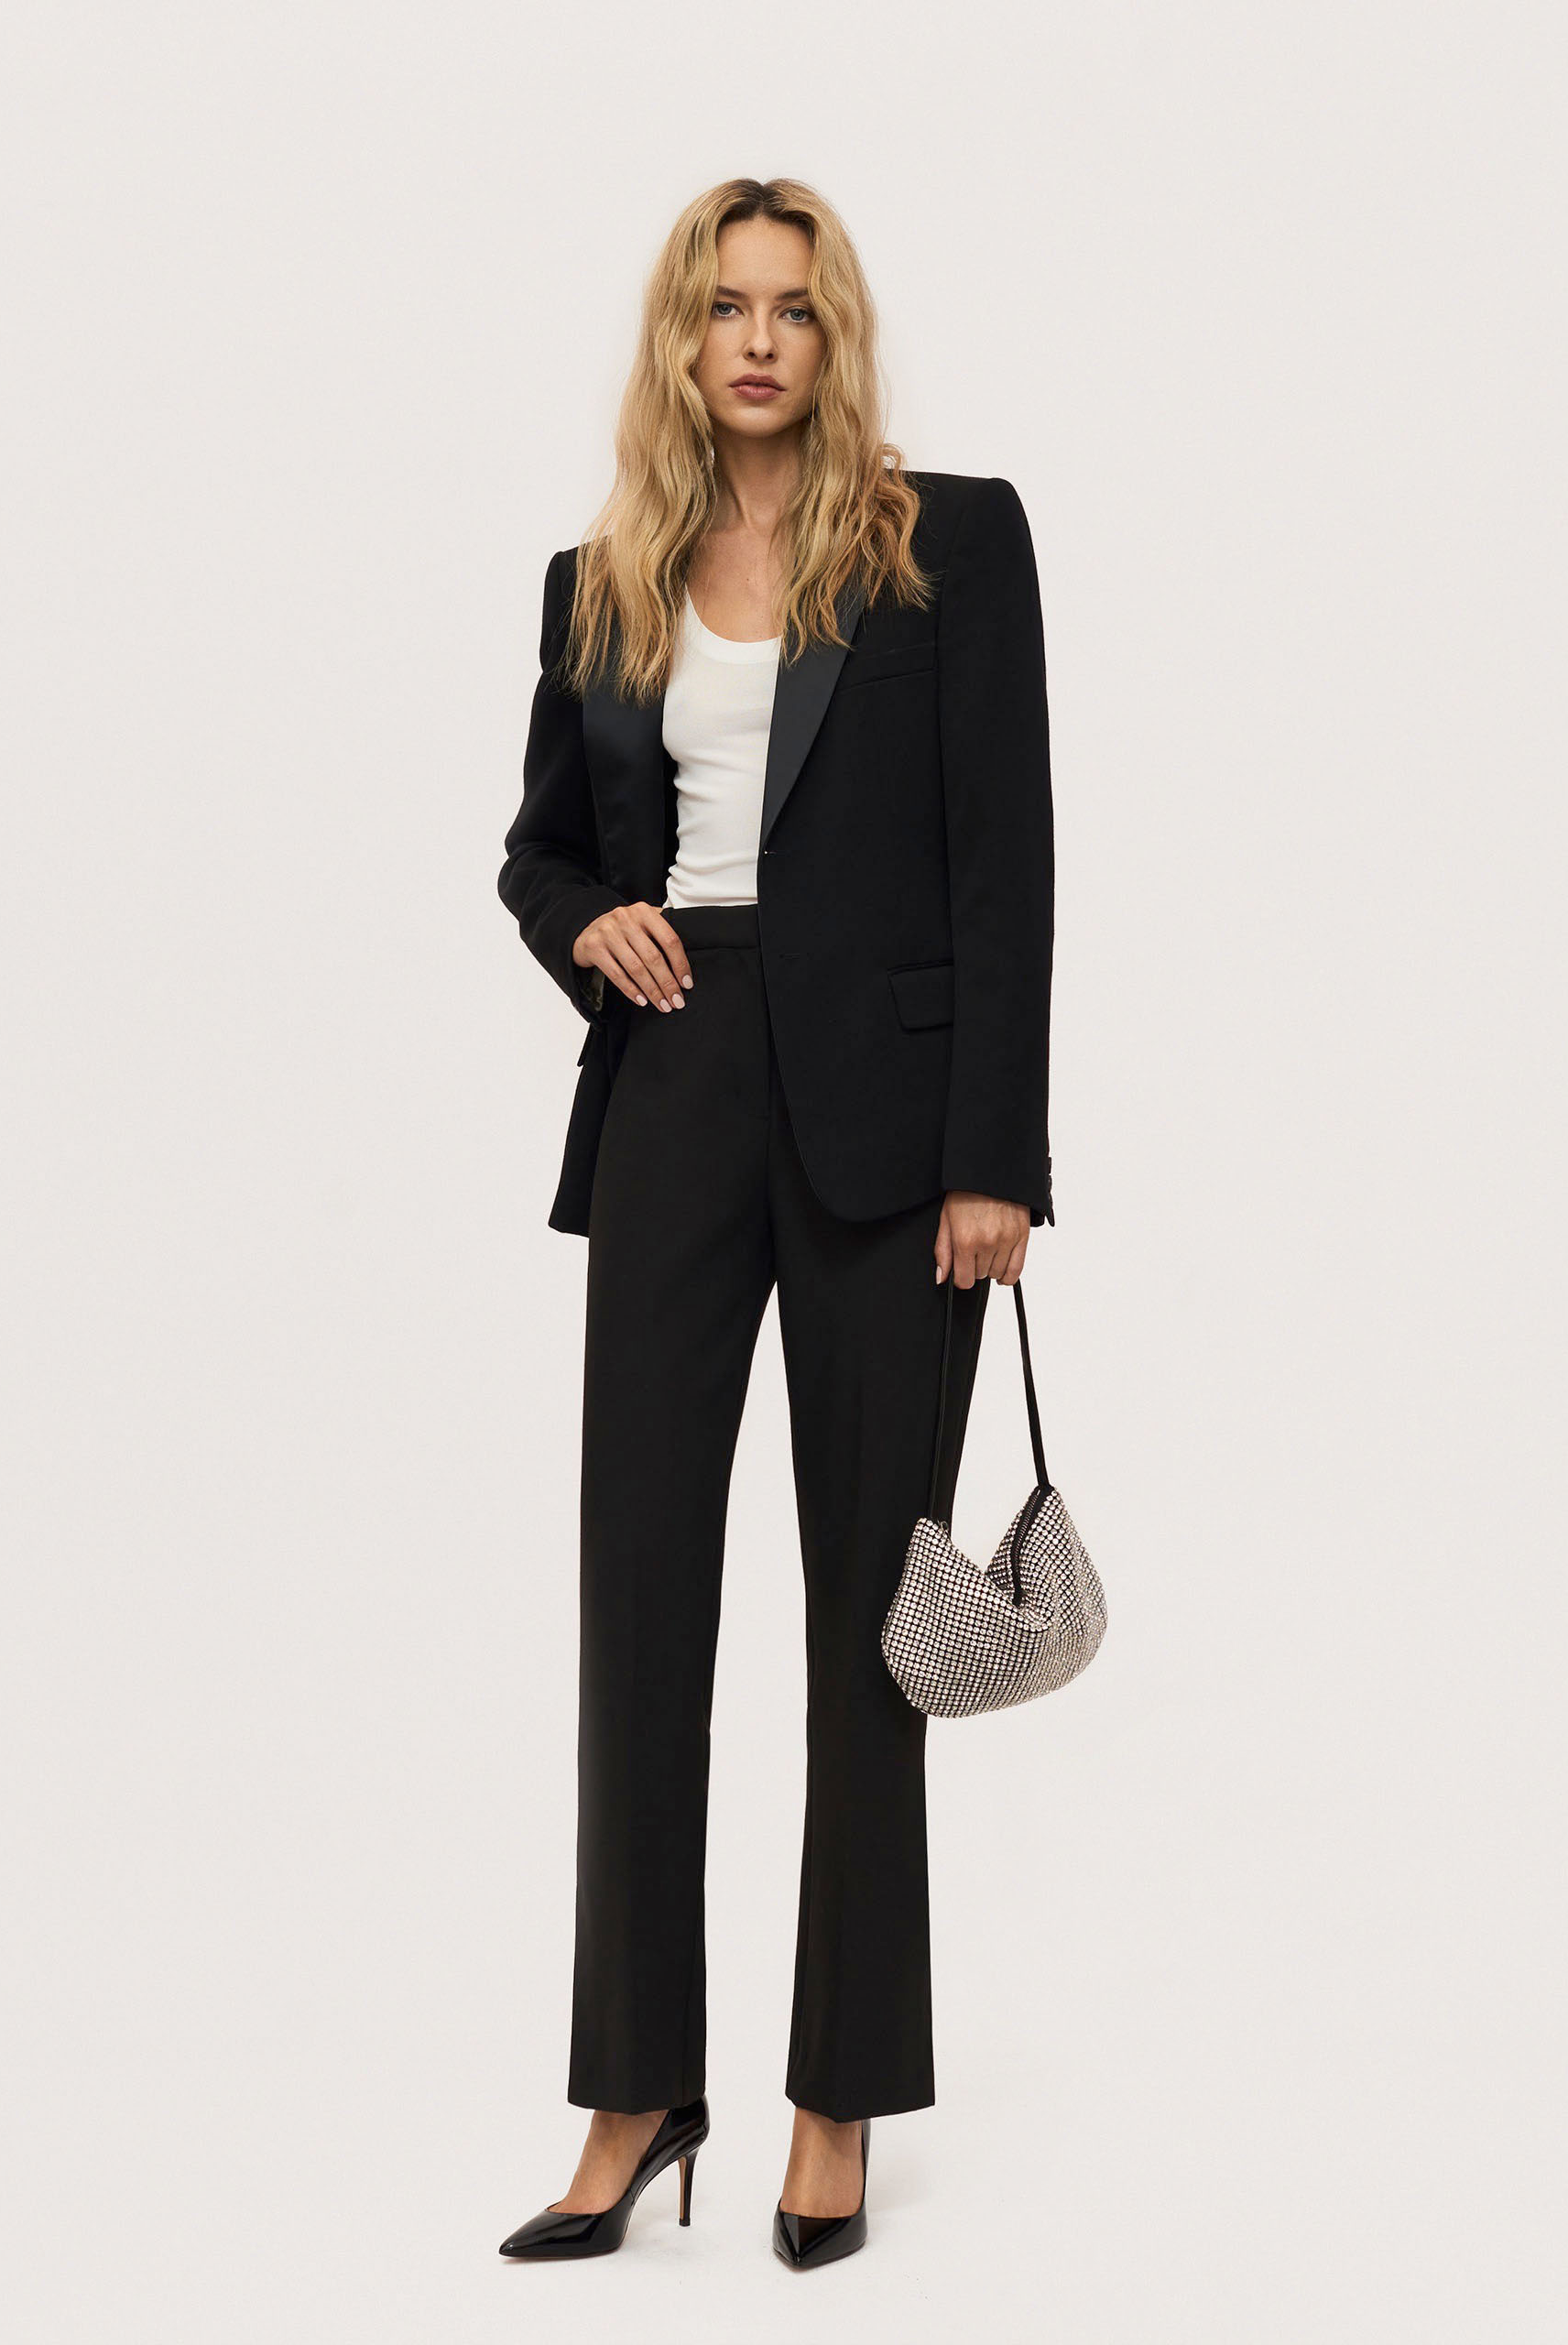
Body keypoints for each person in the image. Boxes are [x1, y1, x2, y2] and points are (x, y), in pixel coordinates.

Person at [495, 175, 1054, 2270]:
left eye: (792, 309)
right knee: (638, 1597)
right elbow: (539, 851)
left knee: (865, 1625)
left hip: (894, 1132)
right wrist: (592, 920)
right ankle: (636, 2090)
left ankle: (838, 2093)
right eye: (725, 307)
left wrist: (997, 1155)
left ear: (834, 337)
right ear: (681, 336)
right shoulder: (602, 578)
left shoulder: (947, 542)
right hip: (673, 1088)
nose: (757, 340)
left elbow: (1007, 862)